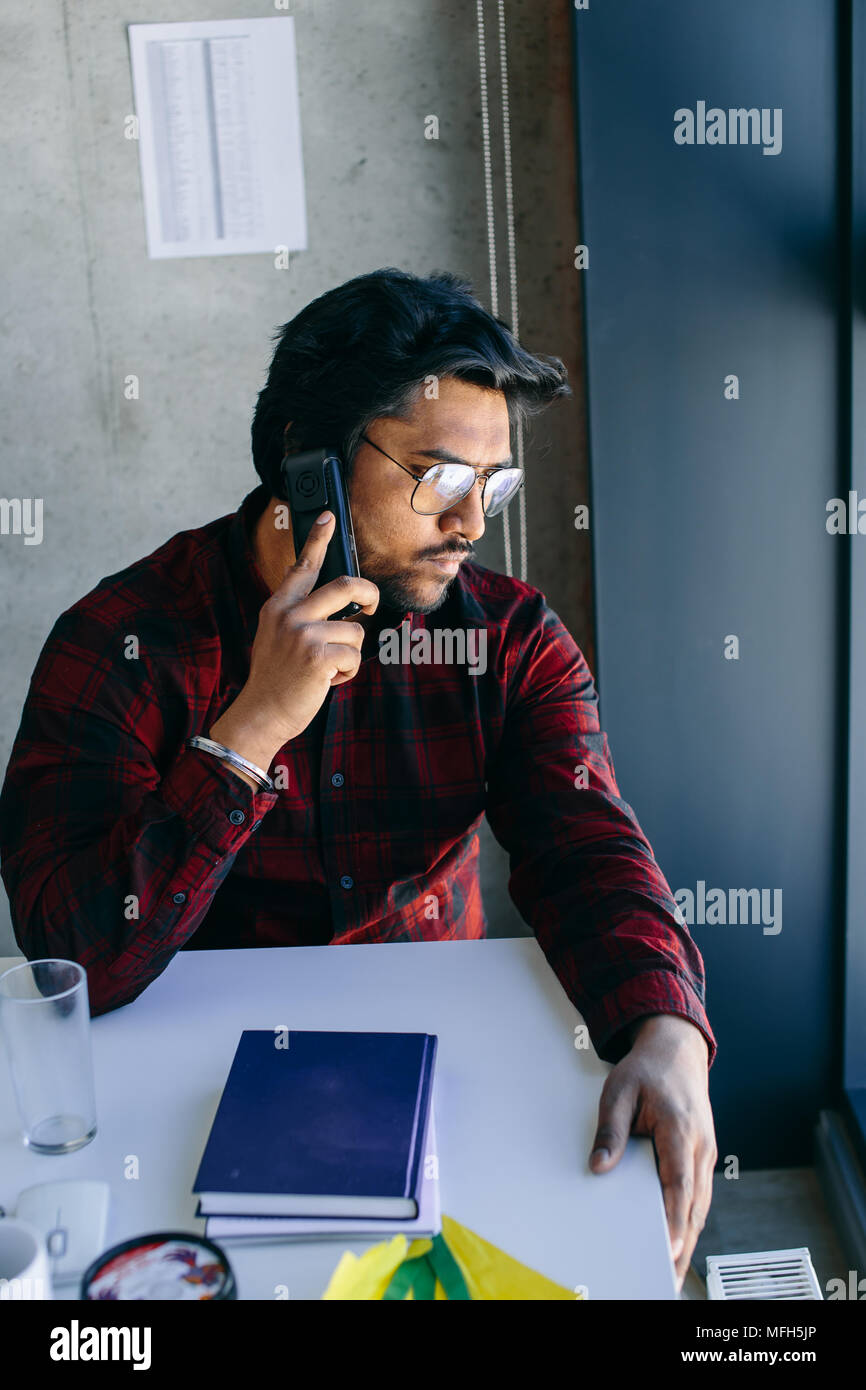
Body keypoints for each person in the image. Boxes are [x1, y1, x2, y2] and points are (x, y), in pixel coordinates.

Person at [0, 267, 716, 1290]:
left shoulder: (508, 640)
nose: (473, 525)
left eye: (492, 483)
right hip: (179, 1091)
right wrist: (248, 732)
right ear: (312, 463)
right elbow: (71, 952)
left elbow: (586, 847)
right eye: (439, 478)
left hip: (436, 1068)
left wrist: (665, 1023)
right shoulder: (121, 641)